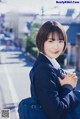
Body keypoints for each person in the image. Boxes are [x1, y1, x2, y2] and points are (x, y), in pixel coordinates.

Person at [29, 21, 79, 119]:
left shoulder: (51, 65)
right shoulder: (44, 69)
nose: (56, 46)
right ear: (41, 41)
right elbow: (56, 112)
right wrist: (68, 86)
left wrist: (69, 82)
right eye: (50, 41)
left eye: (60, 41)